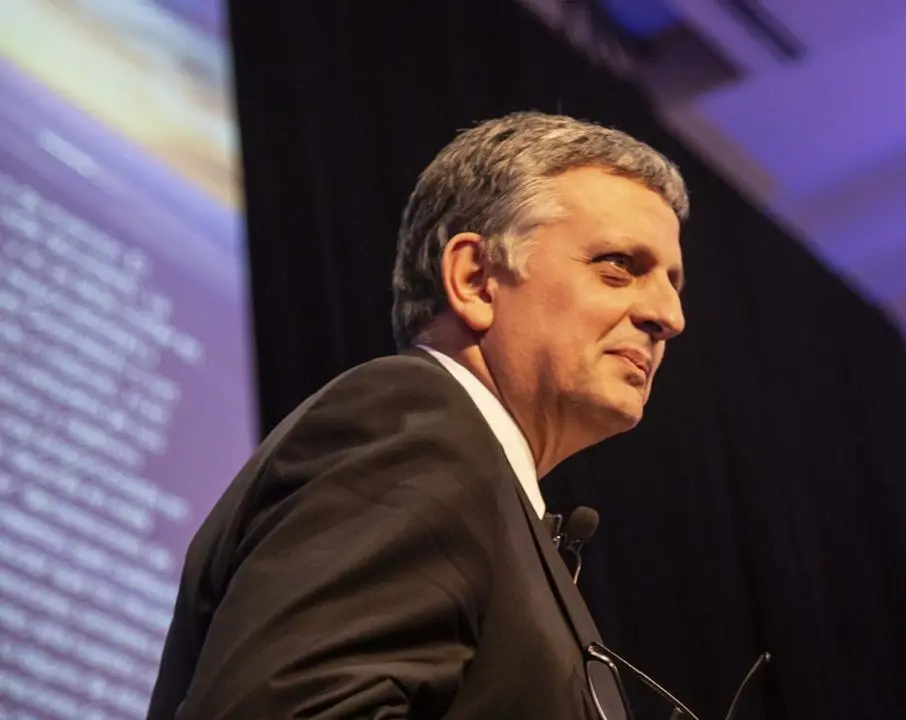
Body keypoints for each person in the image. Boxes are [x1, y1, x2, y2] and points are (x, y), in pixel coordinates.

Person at [146, 111, 689, 719]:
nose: (669, 316)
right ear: (475, 279)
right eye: (619, 266)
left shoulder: (476, 481)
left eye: (673, 283)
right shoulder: (417, 430)